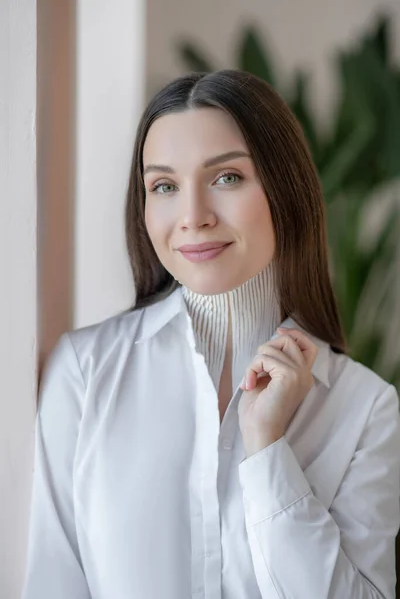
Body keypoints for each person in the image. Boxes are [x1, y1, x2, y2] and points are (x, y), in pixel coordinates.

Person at [23, 69, 400, 599]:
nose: (193, 216)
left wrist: (268, 453)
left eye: (227, 178)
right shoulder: (85, 374)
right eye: (165, 186)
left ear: (284, 190)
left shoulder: (365, 408)